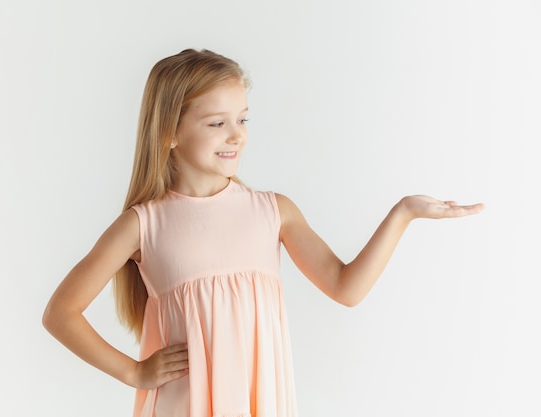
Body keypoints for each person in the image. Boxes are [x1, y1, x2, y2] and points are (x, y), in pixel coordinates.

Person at [42, 48, 484, 417]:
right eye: (217, 123)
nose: (236, 135)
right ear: (169, 133)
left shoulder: (273, 211)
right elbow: (60, 313)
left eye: (243, 119)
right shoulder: (143, 224)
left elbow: (346, 288)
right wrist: (134, 372)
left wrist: (402, 213)